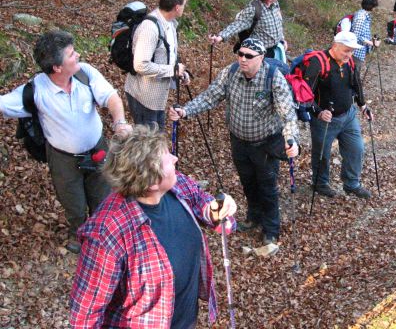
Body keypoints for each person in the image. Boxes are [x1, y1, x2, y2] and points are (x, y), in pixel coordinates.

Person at [69, 125, 237, 328]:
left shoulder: (175, 186)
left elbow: (200, 200)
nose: (175, 158)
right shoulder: (107, 234)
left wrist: (214, 212)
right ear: (153, 182)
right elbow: (84, 316)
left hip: (184, 320)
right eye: (167, 158)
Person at [0, 30, 132, 253]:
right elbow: (3, 103)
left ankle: (100, 235)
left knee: (102, 196)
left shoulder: (85, 74)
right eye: (71, 54)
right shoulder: (35, 91)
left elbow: (111, 97)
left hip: (98, 151)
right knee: (73, 202)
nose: (78, 55)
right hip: (63, 159)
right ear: (57, 67)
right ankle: (79, 233)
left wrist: (119, 122)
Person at [170, 38, 299, 245]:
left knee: (267, 186)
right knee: (247, 182)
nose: (243, 59)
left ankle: (271, 229)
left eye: (248, 56)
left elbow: (288, 114)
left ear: (261, 57)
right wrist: (185, 111)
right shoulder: (230, 73)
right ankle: (254, 216)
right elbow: (210, 97)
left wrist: (292, 140)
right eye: (240, 54)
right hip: (238, 142)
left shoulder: (273, 78)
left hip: (265, 143)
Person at [304, 31, 373, 199]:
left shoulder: (349, 62)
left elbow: (356, 83)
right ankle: (320, 183)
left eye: (351, 51)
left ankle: (352, 184)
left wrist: (363, 105)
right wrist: (318, 112)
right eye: (346, 51)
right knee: (322, 154)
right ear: (335, 46)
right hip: (324, 120)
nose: (349, 55)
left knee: (356, 149)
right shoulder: (317, 63)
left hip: (349, 115)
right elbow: (305, 95)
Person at [124, 0, 190, 128]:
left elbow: (168, 55)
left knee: (154, 142)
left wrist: (179, 72)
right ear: (177, 8)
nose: (185, 8)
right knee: (148, 145)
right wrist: (172, 70)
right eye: (184, 5)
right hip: (143, 97)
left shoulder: (170, 24)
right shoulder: (150, 28)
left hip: (157, 98)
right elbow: (140, 65)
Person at [209, 0, 287, 59]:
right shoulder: (253, 9)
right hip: (259, 53)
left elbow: (277, 23)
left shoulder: (275, 4)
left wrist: (281, 39)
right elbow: (237, 24)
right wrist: (220, 37)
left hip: (275, 49)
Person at [351, 0, 381, 71]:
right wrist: (372, 43)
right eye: (374, 6)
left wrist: (372, 40)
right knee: (354, 74)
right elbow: (356, 35)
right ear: (371, 6)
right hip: (355, 52)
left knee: (355, 73)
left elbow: (363, 33)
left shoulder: (364, 15)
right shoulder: (361, 17)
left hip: (359, 51)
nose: (375, 8)